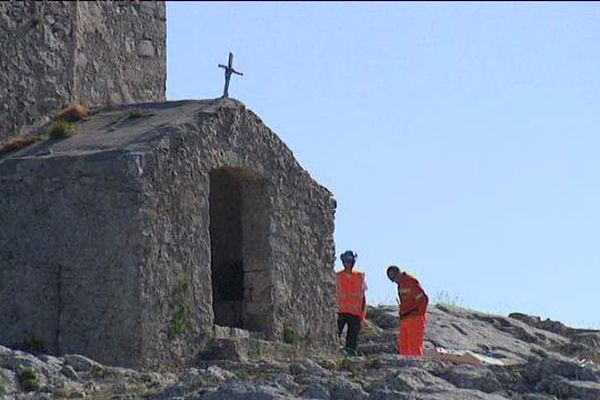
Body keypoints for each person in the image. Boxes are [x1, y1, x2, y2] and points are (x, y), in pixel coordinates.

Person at [386, 265, 429, 356]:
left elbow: (423, 299)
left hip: (414, 318)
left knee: (414, 346)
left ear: (398, 273)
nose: (394, 281)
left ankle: (416, 366)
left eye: (394, 278)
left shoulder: (410, 281)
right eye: (392, 280)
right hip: (405, 318)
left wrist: (417, 314)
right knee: (403, 346)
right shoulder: (400, 284)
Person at [336, 250, 367, 356]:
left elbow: (363, 297)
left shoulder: (360, 276)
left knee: (352, 338)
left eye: (350, 261)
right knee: (335, 335)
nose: (348, 263)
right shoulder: (337, 276)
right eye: (346, 261)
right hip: (340, 311)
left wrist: (362, 315)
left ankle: (350, 356)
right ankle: (334, 352)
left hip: (355, 313)